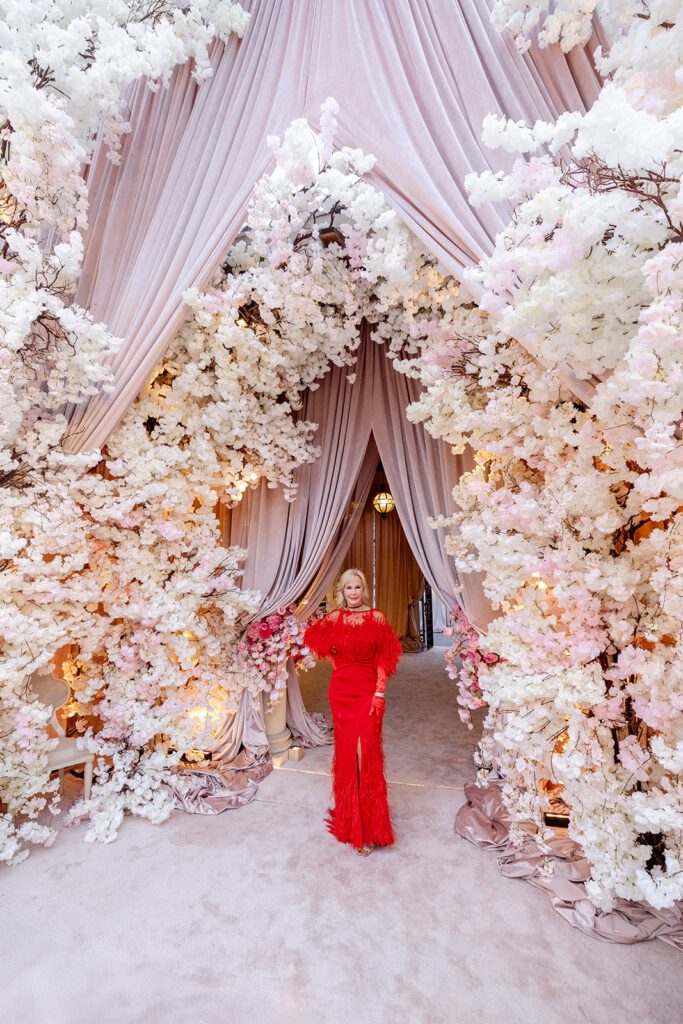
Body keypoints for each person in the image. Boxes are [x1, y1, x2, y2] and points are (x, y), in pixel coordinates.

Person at [303, 568, 402, 855]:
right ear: (342, 592)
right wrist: (336, 661)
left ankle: (370, 827)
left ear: (364, 590)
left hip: (369, 692)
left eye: (358, 587)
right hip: (342, 691)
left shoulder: (376, 617)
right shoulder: (335, 618)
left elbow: (385, 657)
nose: (354, 592)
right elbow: (312, 638)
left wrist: (380, 691)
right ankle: (351, 822)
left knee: (366, 753)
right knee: (348, 755)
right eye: (349, 588)